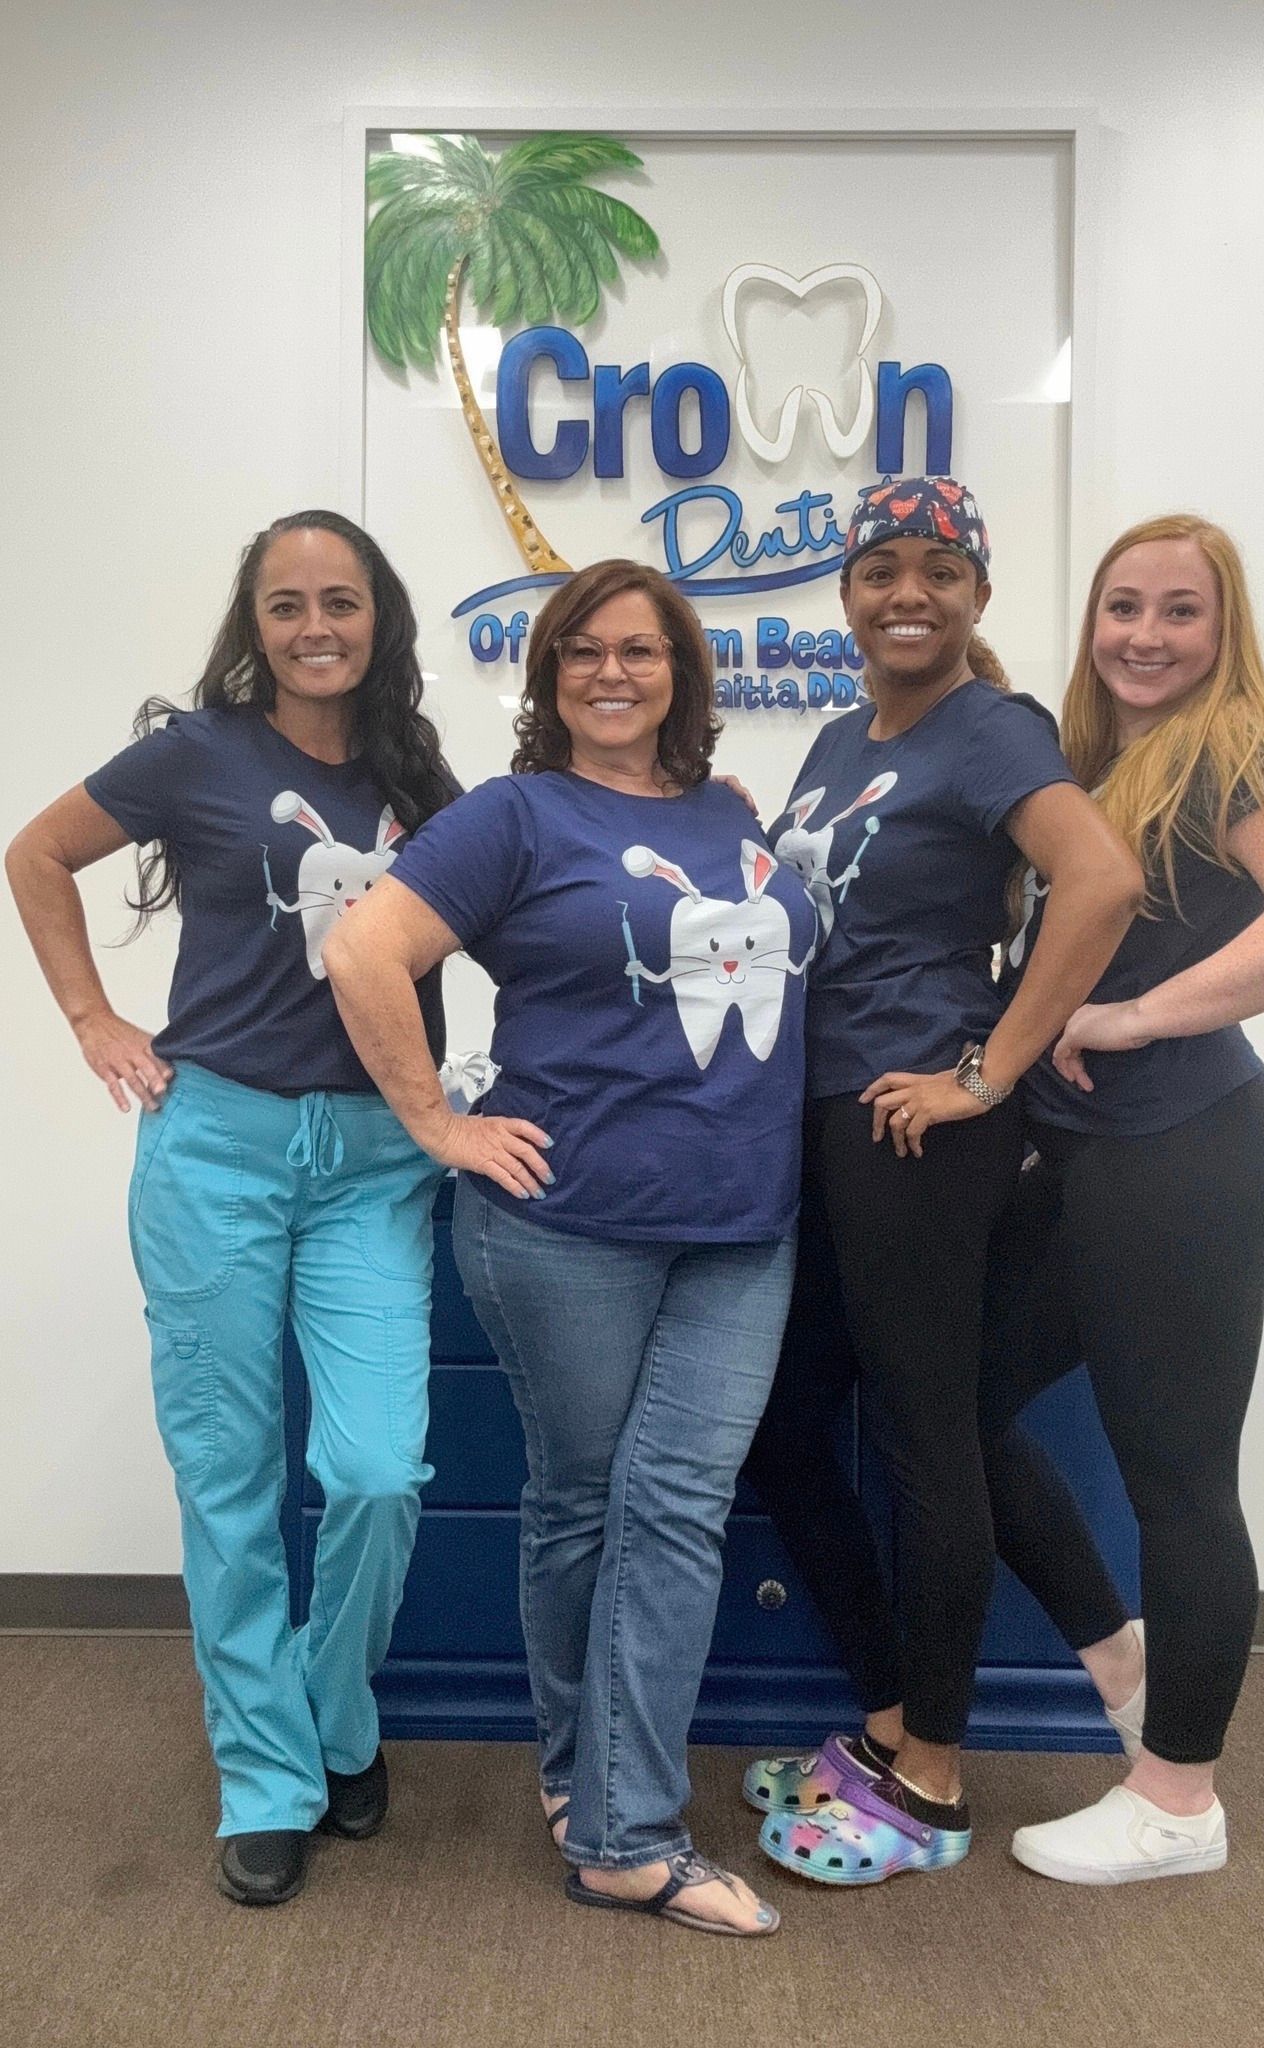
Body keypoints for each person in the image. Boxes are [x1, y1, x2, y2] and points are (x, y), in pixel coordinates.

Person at [323, 558, 819, 1938]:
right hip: (567, 1232)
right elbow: (366, 954)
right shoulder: (513, 816)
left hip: (743, 1228)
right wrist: (437, 1120)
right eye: (584, 650)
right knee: (584, 1507)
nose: (613, 671)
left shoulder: (728, 817)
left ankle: (601, 1803)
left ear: (684, 673)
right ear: (547, 675)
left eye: (643, 650)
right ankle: (619, 1820)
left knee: (667, 1510)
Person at [5, 511, 456, 1907]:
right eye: (285, 604)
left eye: (340, 599)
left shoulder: (419, 775)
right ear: (252, 623)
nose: (316, 624)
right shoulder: (196, 755)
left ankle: (330, 1713)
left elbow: (541, 886)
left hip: (378, 1162)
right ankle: (267, 1772)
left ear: (379, 613)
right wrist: (91, 1018)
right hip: (217, 1155)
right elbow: (35, 855)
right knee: (232, 1481)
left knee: (379, 1470)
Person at [739, 477, 1146, 1886]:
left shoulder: (992, 727)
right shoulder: (843, 735)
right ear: (846, 593)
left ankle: (935, 1783)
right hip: (824, 1125)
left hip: (921, 1131)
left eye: (938, 570)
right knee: (790, 1423)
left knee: (926, 1439)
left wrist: (985, 1075)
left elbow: (1098, 886)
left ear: (977, 593)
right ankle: (893, 1717)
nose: (907, 593)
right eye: (880, 570)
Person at [969, 513, 1264, 1884]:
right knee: (949, 1406)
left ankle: (1179, 1803)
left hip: (1193, 1157)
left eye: (1179, 613)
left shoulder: (1237, 747)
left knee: (1181, 1485)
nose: (1146, 635)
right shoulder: (1100, 761)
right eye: (1122, 608)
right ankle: (1122, 1658)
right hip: (1095, 1165)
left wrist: (1137, 1017)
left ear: (1224, 630)